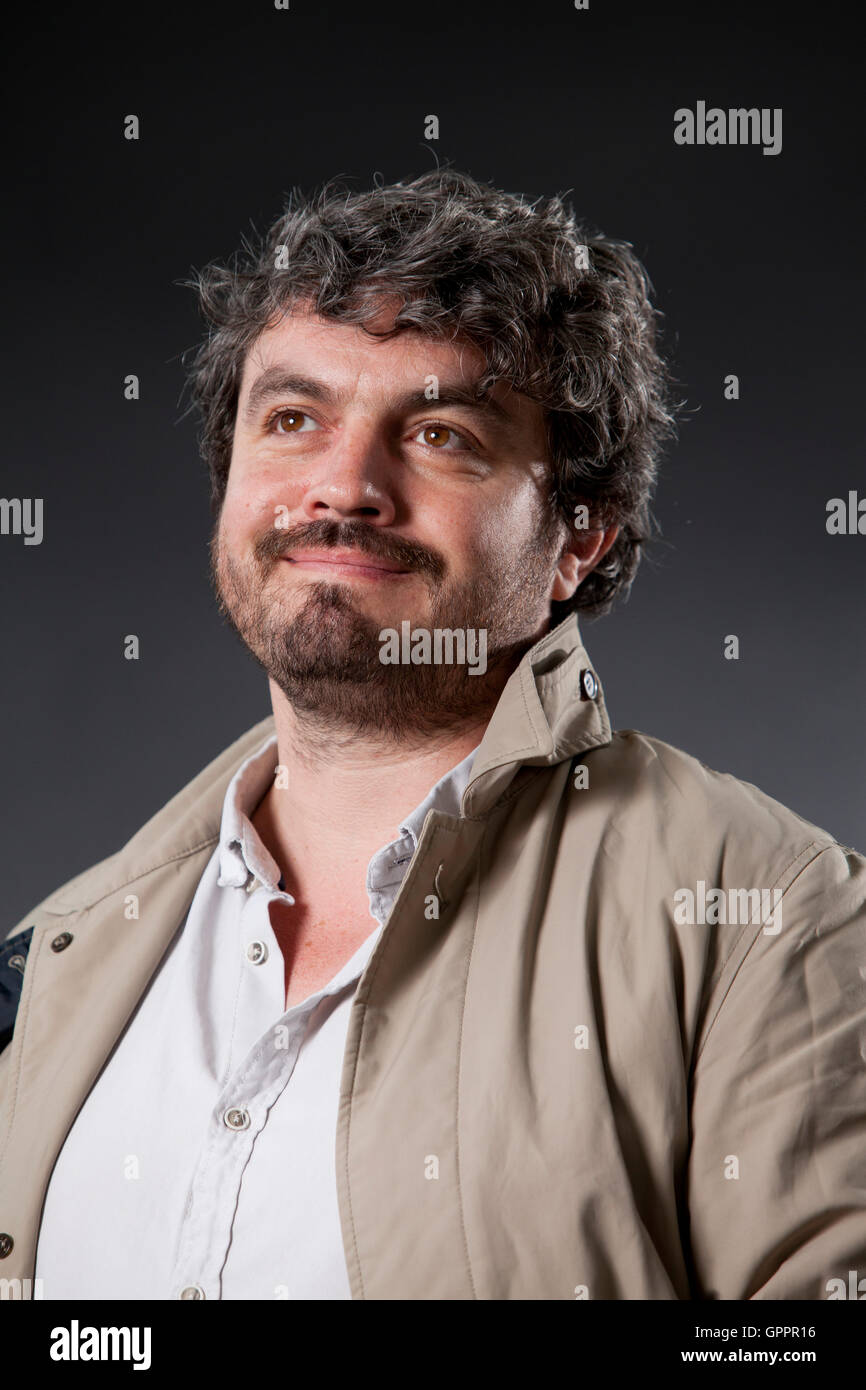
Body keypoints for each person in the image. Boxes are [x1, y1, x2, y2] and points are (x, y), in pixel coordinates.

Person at [1, 169, 864, 1301]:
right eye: (294, 418)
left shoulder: (764, 914)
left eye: (442, 434)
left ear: (578, 539)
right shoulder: (60, 957)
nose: (344, 485)